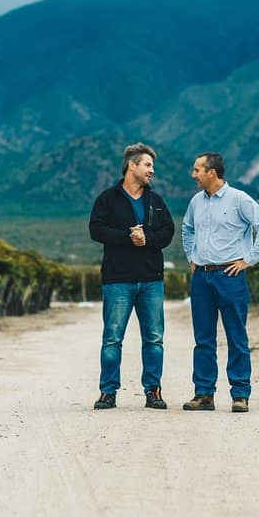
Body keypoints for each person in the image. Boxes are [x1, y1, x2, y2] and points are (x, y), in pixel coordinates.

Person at [181, 152, 259, 413]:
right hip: (202, 277)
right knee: (203, 338)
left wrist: (249, 260)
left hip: (230, 276)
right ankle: (203, 395)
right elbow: (187, 229)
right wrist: (191, 256)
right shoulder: (196, 202)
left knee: (236, 336)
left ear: (212, 172)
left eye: (197, 169)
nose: (193, 174)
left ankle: (240, 394)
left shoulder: (239, 200)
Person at [89, 142, 175, 410]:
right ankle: (108, 392)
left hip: (151, 280)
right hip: (118, 280)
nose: (152, 170)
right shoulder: (107, 199)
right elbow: (96, 230)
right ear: (132, 165)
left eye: (152, 166)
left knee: (154, 339)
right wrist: (128, 236)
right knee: (113, 338)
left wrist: (146, 238)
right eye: (148, 165)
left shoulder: (156, 201)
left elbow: (168, 233)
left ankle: (153, 391)